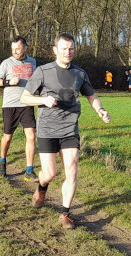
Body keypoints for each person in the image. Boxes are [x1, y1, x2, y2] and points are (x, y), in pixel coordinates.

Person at [20, 33, 111, 229]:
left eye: (71, 49)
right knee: (50, 173)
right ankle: (42, 187)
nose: (67, 52)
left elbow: (91, 96)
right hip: (47, 129)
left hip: (70, 129)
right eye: (63, 49)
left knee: (72, 168)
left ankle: (65, 214)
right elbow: (25, 97)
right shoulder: (43, 71)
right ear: (55, 50)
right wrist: (43, 100)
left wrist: (101, 110)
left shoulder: (80, 73)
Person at [0, 36, 39, 180]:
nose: (15, 52)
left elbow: (37, 80)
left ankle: (29, 170)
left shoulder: (33, 62)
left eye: (18, 49)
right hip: (10, 105)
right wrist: (8, 82)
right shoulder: (6, 63)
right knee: (7, 137)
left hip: (27, 104)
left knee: (31, 136)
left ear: (25, 48)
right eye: (13, 49)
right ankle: (2, 160)